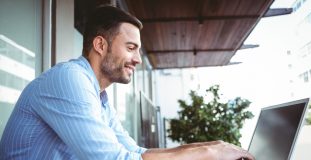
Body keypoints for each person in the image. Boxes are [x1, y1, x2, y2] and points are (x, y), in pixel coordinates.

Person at [0, 6, 254, 160]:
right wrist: (209, 155)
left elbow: (134, 150)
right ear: (100, 45)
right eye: (131, 48)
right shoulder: (69, 78)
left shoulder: (99, 98)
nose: (137, 60)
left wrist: (214, 147)